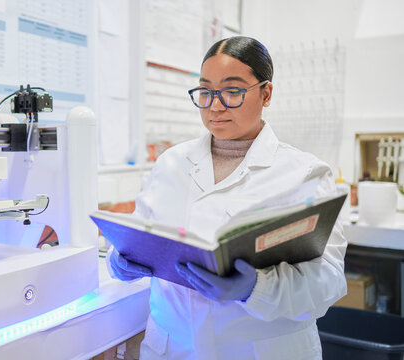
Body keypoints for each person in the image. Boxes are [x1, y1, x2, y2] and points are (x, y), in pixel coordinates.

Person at [107, 36, 347, 360]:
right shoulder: (172, 162)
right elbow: (138, 233)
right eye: (205, 92)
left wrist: (256, 289)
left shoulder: (305, 174)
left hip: (262, 351)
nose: (215, 106)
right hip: (172, 347)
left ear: (266, 93)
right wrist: (119, 260)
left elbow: (327, 281)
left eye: (232, 91)